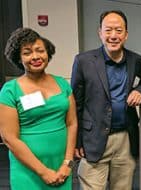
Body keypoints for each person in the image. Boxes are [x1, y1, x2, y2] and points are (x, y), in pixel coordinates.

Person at [71, 10, 141, 190]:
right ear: (100, 33)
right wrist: (77, 141)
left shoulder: (137, 61)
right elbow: (76, 103)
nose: (113, 35)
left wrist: (140, 90)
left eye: (119, 30)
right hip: (93, 138)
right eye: (108, 30)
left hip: (125, 138)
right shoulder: (83, 61)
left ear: (126, 34)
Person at [0, 28, 77, 189]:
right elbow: (9, 138)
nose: (35, 56)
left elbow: (72, 124)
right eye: (27, 53)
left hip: (61, 167)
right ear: (19, 58)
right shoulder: (10, 90)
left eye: (40, 51)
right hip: (28, 171)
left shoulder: (63, 84)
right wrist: (43, 172)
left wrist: (67, 163)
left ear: (48, 53)